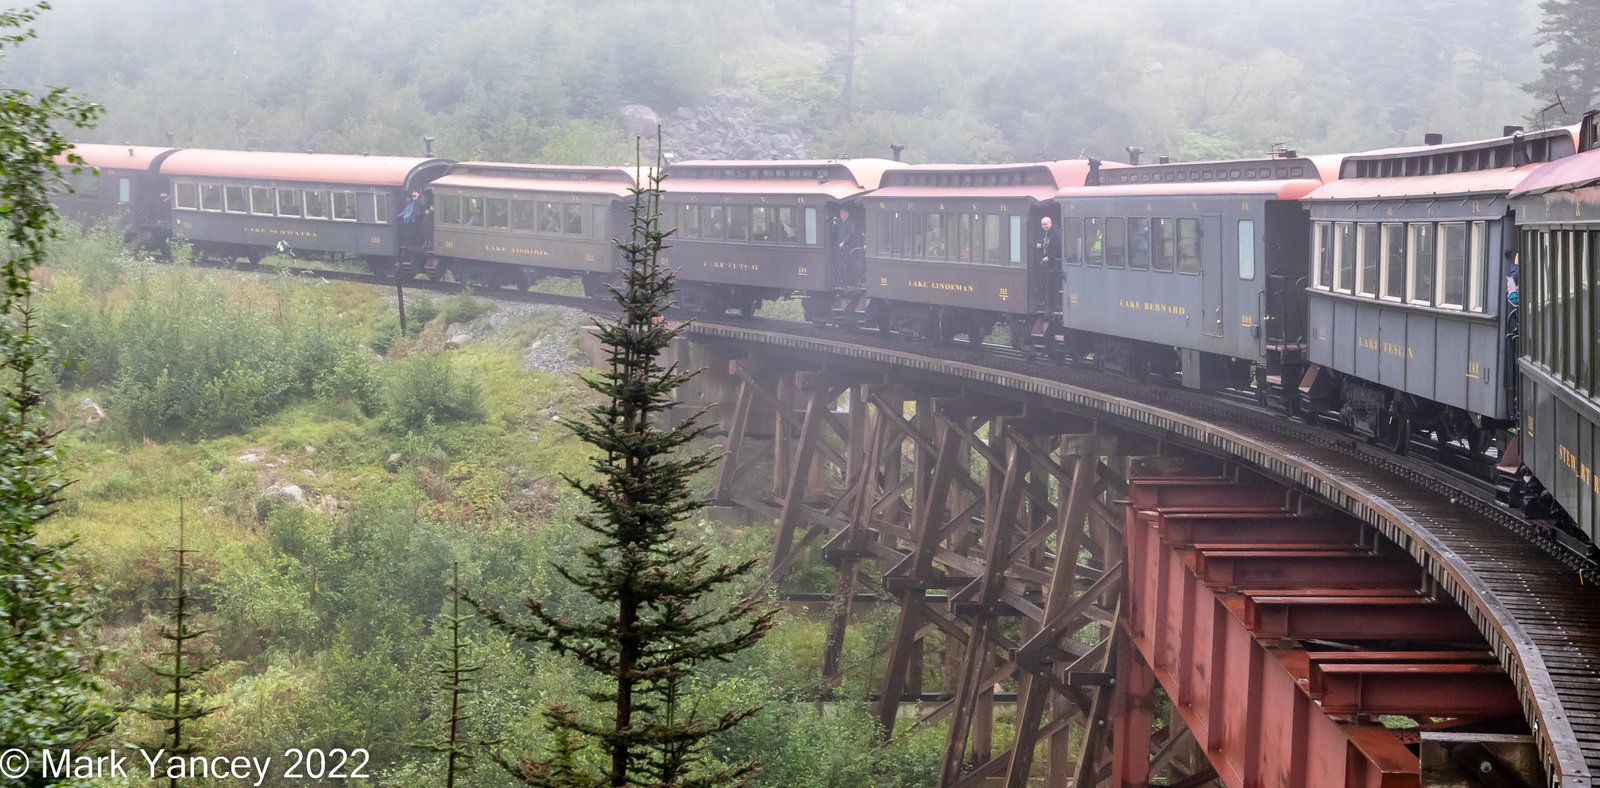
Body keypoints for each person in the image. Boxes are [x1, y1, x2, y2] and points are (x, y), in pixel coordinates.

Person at [1034, 215, 1063, 313]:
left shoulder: (1056, 233)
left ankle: (1051, 306)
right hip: (1046, 264)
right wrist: (1040, 246)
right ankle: (1044, 303)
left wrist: (1049, 257)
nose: (1044, 226)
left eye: (1045, 224)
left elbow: (1057, 247)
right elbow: (1045, 245)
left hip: (1054, 264)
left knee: (1051, 285)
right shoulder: (1044, 233)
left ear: (1050, 223)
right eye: (1042, 225)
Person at [832, 207, 862, 285]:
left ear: (846, 213)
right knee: (840, 265)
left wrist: (844, 242)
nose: (840, 215)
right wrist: (834, 224)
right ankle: (840, 280)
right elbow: (834, 233)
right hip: (839, 248)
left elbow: (851, 234)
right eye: (840, 213)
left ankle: (847, 281)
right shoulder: (840, 223)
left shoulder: (850, 223)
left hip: (848, 248)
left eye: (842, 213)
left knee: (846, 265)